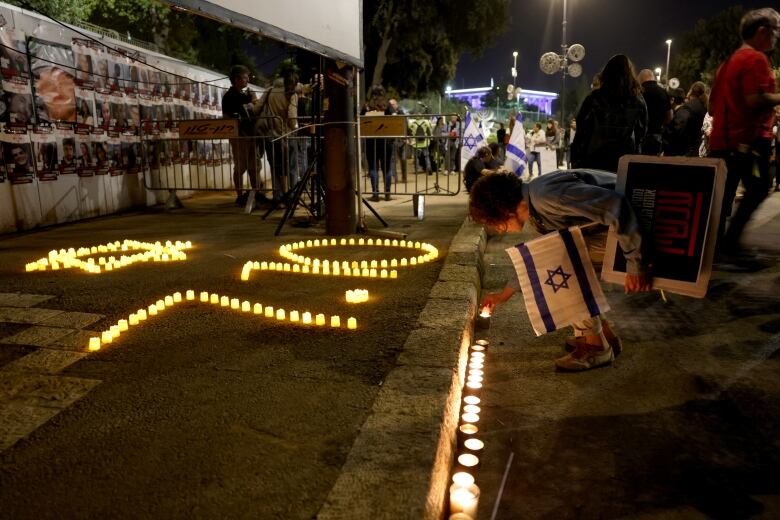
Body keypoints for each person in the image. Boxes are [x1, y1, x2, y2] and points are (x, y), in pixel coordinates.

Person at [471, 171, 652, 371]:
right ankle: (602, 334)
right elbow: (537, 259)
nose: (499, 230)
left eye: (494, 223)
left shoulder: (547, 196)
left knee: (559, 258)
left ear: (503, 210)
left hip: (642, 227)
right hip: (619, 232)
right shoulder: (536, 207)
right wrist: (503, 295)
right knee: (555, 254)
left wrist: (636, 265)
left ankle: (596, 346)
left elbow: (616, 206)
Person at [709, 8, 780, 254]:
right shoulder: (755, 59)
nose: (776, 36)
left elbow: (711, 106)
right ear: (762, 31)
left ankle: (716, 248)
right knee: (760, 188)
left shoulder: (726, 64)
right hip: (746, 142)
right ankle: (730, 243)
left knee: (722, 199)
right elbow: (754, 100)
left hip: (720, 142)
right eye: (775, 30)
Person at [571, 54, 647, 172]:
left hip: (594, 159)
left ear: (606, 73)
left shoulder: (594, 98)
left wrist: (576, 159)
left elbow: (581, 129)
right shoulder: (638, 100)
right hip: (623, 161)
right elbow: (641, 132)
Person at [251, 60, 301, 202]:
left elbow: (256, 109)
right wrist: (296, 127)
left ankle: (277, 197)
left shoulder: (270, 90)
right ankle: (291, 196)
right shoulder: (291, 93)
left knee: (275, 167)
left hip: (270, 136)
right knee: (291, 167)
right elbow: (292, 117)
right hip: (287, 136)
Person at [221, 65, 260, 205]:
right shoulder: (230, 96)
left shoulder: (243, 95)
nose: (247, 79)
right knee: (241, 166)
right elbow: (228, 117)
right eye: (245, 77)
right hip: (239, 137)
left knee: (254, 166)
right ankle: (240, 195)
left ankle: (256, 193)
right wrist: (252, 101)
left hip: (250, 136)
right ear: (237, 79)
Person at [360, 85, 394, 201]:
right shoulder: (387, 106)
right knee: (387, 169)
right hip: (386, 142)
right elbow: (394, 122)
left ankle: (375, 194)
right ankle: (387, 193)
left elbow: (361, 121)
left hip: (371, 142)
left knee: (373, 168)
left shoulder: (367, 106)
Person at [663, 81, 708, 157]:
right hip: (697, 150)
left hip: (683, 151)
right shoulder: (704, 107)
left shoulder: (688, 108)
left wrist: (666, 145)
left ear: (690, 92)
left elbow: (676, 128)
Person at [637, 69, 672, 156]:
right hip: (656, 136)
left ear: (641, 79)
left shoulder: (638, 92)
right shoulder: (663, 92)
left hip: (640, 137)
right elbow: (670, 116)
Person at [388, 98, 409, 182]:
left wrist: (407, 137)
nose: (391, 106)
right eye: (390, 105)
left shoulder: (401, 113)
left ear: (396, 105)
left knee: (403, 159)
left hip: (402, 139)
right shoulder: (388, 114)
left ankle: (404, 177)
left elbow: (406, 125)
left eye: (393, 104)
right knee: (393, 159)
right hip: (392, 139)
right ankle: (394, 177)